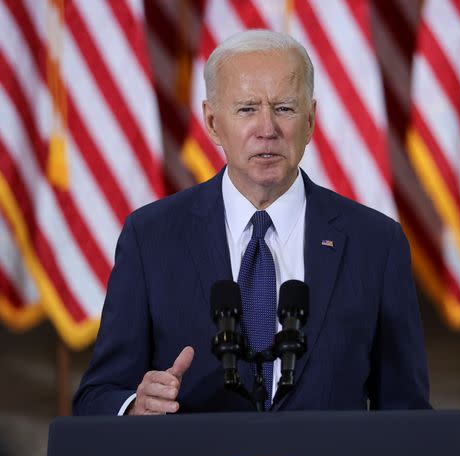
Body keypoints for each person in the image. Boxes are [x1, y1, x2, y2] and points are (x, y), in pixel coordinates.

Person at [73, 30, 430, 415]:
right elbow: (97, 396)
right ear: (212, 123)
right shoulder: (151, 238)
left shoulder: (375, 243)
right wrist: (134, 406)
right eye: (246, 109)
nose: (267, 130)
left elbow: (405, 412)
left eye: (285, 109)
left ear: (310, 120)